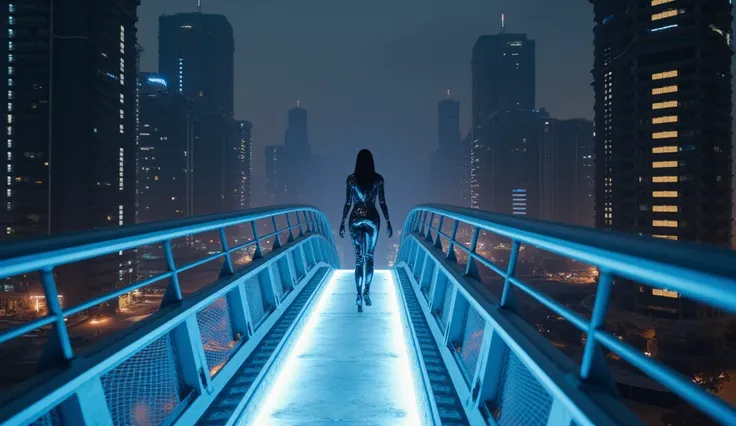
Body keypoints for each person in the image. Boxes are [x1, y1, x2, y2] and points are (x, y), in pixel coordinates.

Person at [339, 149, 392, 312]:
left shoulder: (351, 179)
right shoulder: (378, 179)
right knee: (369, 257)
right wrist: (388, 221)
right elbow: (382, 202)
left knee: (358, 260)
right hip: (372, 218)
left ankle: (358, 295)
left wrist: (342, 222)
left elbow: (348, 203)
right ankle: (367, 291)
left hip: (355, 218)